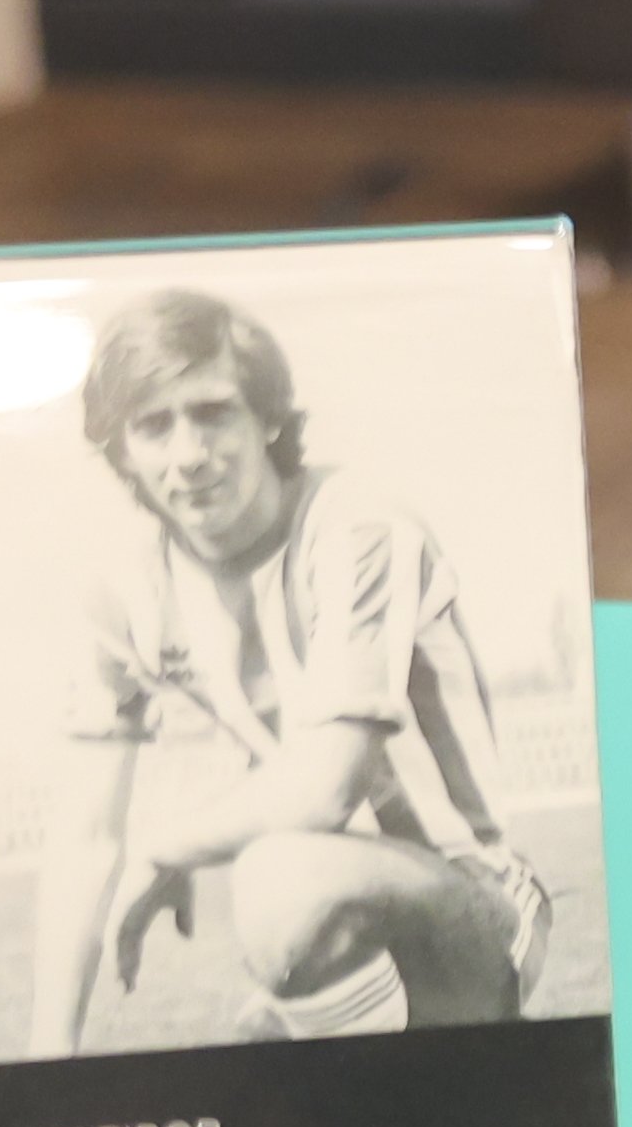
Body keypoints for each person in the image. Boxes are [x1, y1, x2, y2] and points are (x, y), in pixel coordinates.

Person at [32, 288, 556, 1058]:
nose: (187, 453)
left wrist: (163, 846)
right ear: (121, 448)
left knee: (279, 878)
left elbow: (324, 786)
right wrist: (44, 1066)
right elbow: (83, 837)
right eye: (153, 425)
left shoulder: (357, 525)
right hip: (327, 902)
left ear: (268, 417)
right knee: (281, 888)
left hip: (475, 896)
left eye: (213, 412)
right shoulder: (124, 591)